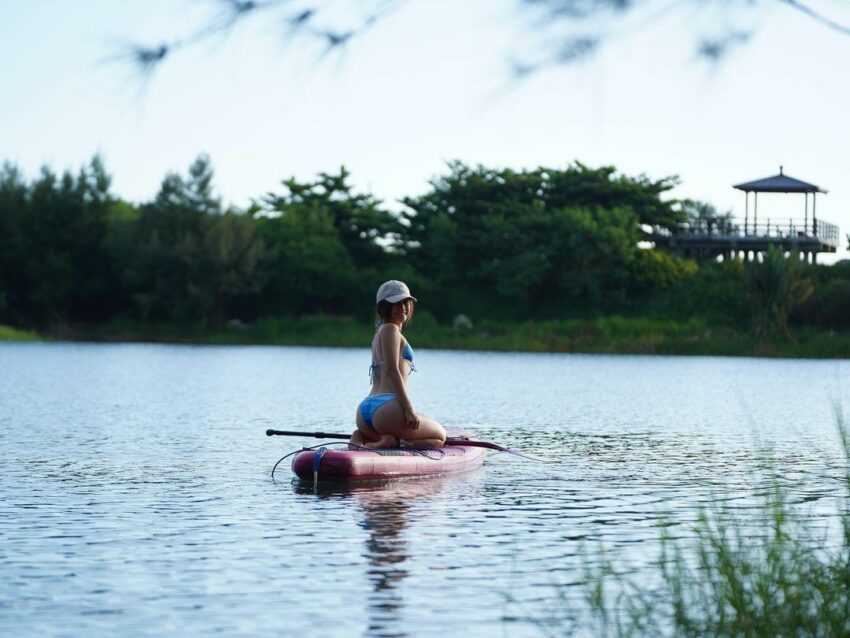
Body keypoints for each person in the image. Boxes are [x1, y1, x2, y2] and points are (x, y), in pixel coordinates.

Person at [350, 280, 446, 449]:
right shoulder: (390, 329)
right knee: (440, 436)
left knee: (434, 439)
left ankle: (363, 436)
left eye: (405, 302)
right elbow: (391, 370)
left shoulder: (379, 333)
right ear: (384, 307)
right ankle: (396, 442)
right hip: (387, 409)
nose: (403, 307)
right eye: (396, 303)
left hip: (365, 412)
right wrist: (409, 409)